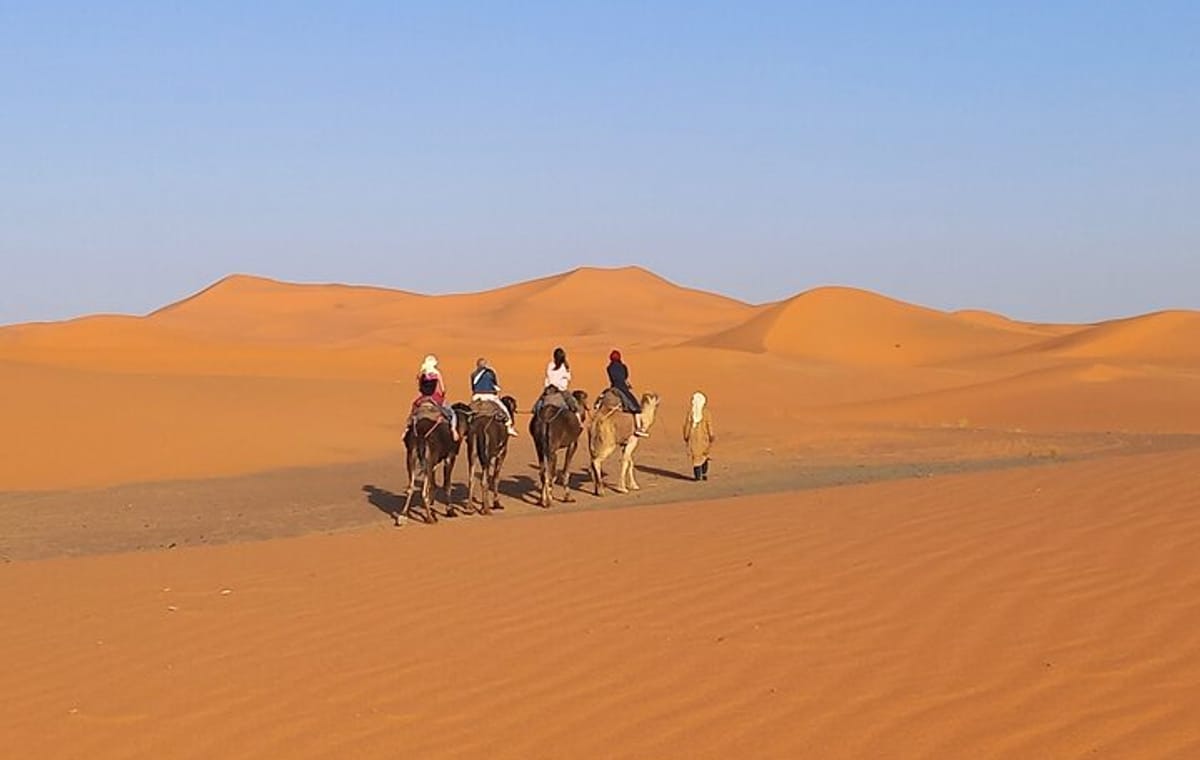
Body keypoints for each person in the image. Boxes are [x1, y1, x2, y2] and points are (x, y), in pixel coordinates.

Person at [409, 354, 458, 442]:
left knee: (413, 412)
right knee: (452, 414)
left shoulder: (421, 374)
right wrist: (442, 396)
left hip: (423, 398)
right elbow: (443, 389)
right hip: (435, 397)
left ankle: (406, 430)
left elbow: (420, 387)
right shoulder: (437, 373)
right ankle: (453, 431)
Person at [470, 357, 518, 436]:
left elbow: (473, 387)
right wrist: (497, 389)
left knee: (469, 412)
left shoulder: (473, 374)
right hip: (490, 396)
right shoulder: (490, 373)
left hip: (477, 397)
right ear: (485, 365)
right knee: (504, 410)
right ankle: (509, 427)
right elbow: (495, 384)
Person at [606, 349, 648, 437]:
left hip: (613, 387)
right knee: (636, 407)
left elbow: (613, 378)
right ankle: (639, 428)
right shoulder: (623, 367)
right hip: (621, 388)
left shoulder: (609, 368)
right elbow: (625, 376)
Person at [535, 347, 581, 415]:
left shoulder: (550, 365)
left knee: (538, 405)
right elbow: (569, 378)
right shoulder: (565, 366)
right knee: (575, 406)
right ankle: (577, 421)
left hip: (549, 389)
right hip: (561, 390)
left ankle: (535, 410)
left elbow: (548, 376)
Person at [683, 391, 714, 481]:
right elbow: (709, 425)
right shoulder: (706, 413)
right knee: (703, 456)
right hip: (704, 439)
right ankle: (703, 474)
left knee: (697, 458)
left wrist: (686, 435)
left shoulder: (691, 413)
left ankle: (698, 476)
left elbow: (687, 425)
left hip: (694, 439)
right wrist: (711, 435)